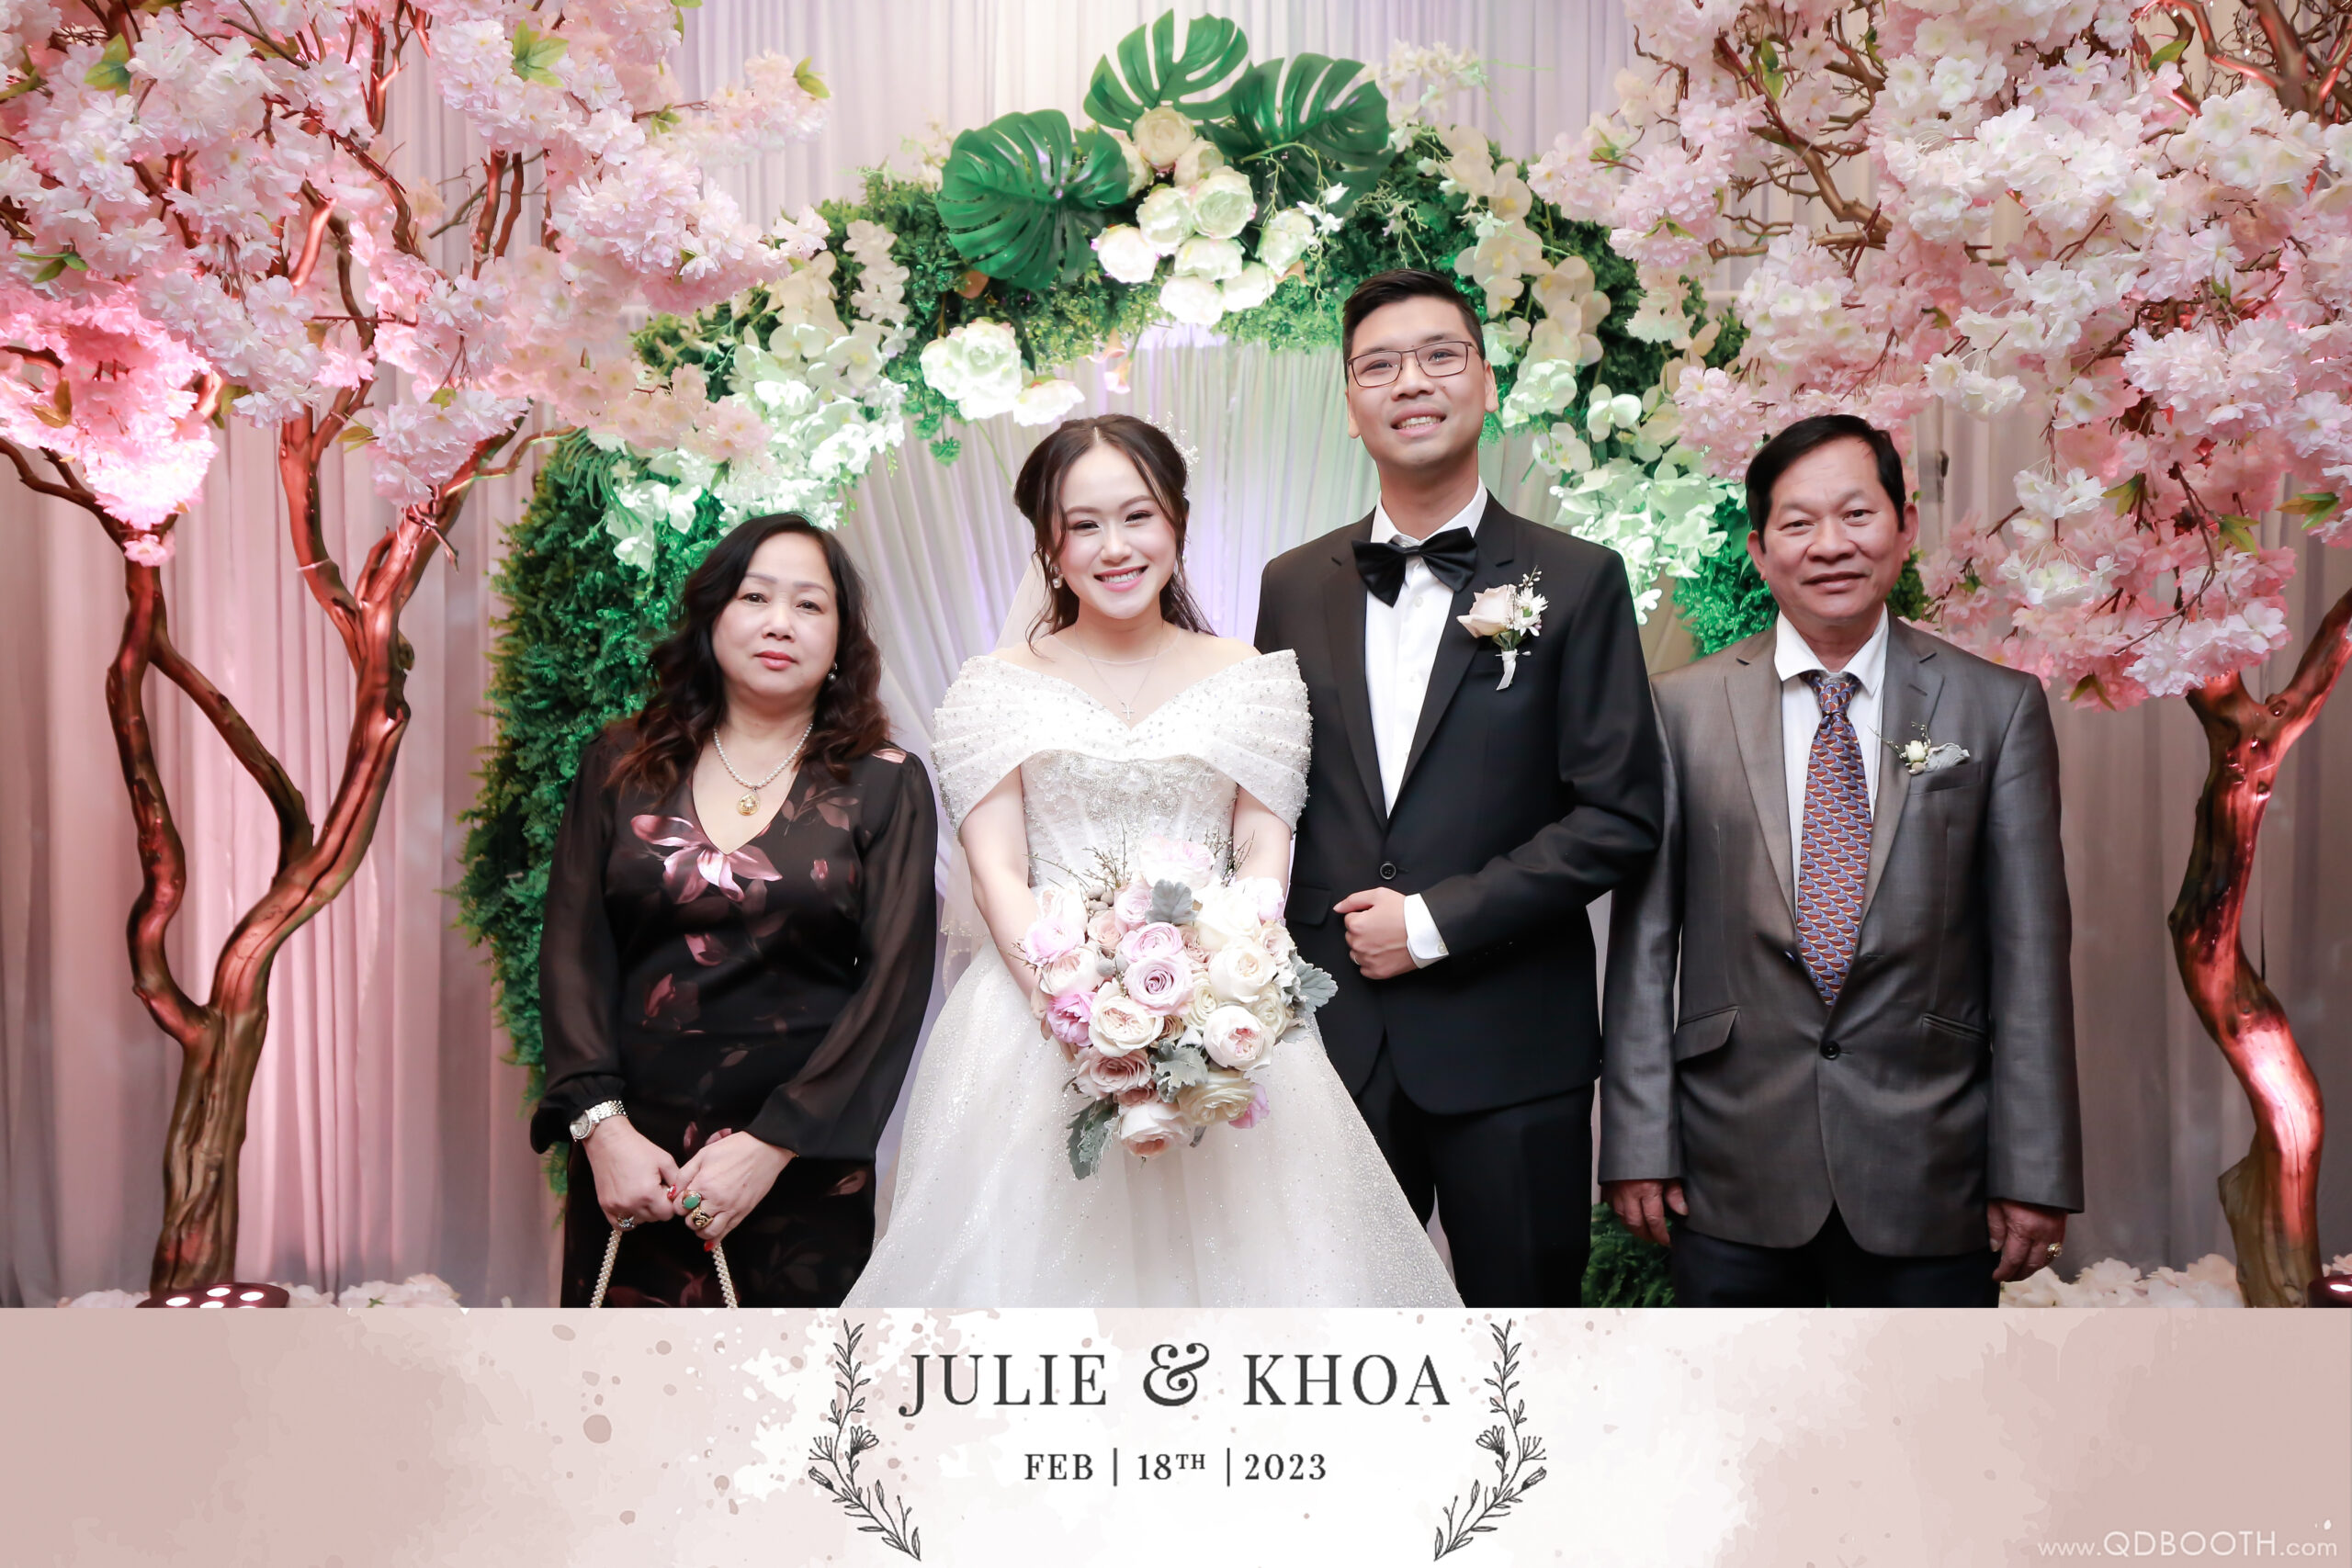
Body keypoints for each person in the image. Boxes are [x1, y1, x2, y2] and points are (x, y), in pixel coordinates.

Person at [846, 413, 1458, 1306]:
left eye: (1137, 516)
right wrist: (1070, 1004)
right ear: (1049, 544)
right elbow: (996, 870)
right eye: (1083, 524)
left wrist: (1219, 990)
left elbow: (1263, 847)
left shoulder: (1250, 676)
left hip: (1224, 1010)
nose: (1115, 546)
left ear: (1176, 520)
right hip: (1032, 1022)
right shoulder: (994, 686)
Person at [1600, 414, 2082, 1306]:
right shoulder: (1678, 710)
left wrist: (2035, 1165)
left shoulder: (1997, 708)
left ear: (1904, 527)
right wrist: (1635, 1142)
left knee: (1925, 1402)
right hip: (1730, 1161)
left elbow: (2030, 956)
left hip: (1931, 1165)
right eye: (1797, 523)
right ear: (1759, 549)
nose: (1830, 545)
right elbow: (1643, 946)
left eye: (1857, 515)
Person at [1252, 269, 1666, 1307]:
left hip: (1512, 1044)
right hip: (1332, 1043)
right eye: (1379, 365)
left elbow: (1620, 817)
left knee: (1525, 1354)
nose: (1411, 382)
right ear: (1351, 405)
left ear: (1486, 382)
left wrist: (1433, 922)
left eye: (1440, 355)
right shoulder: (1290, 586)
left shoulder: (1577, 579)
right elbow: (1267, 796)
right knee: (1344, 1354)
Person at [532, 513, 938, 1307]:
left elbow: (893, 989)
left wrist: (773, 1143)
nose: (780, 622)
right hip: (632, 1160)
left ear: (842, 639)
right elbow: (573, 951)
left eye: (810, 604)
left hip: (803, 1161)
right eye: (756, 597)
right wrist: (601, 1127)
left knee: (794, 1382)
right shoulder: (621, 762)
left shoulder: (884, 782)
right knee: (617, 1379)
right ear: (713, 614)